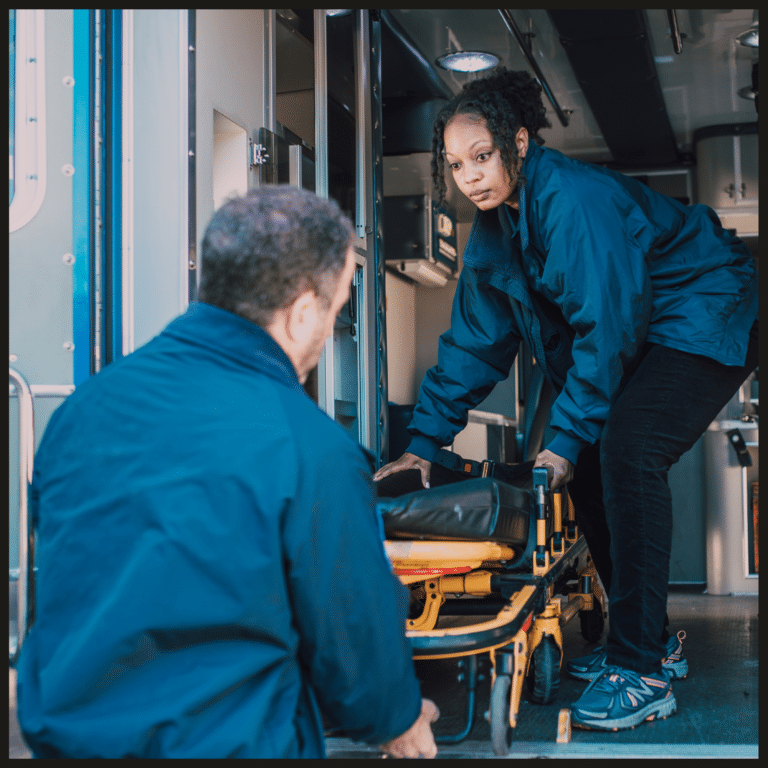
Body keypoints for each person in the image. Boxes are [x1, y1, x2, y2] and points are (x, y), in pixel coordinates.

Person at [373, 69, 758, 731]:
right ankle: (654, 641)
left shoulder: (572, 202)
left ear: (518, 143)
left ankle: (639, 670)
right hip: (644, 328)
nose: (469, 177)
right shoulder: (495, 233)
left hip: (707, 305)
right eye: (456, 164)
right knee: (584, 465)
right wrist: (419, 448)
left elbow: (608, 331)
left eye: (483, 156)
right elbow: (473, 345)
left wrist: (565, 438)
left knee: (629, 448)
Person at [16, 186, 439, 758]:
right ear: (304, 313)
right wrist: (398, 717)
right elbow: (355, 643)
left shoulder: (81, 414)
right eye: (336, 309)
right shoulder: (309, 447)